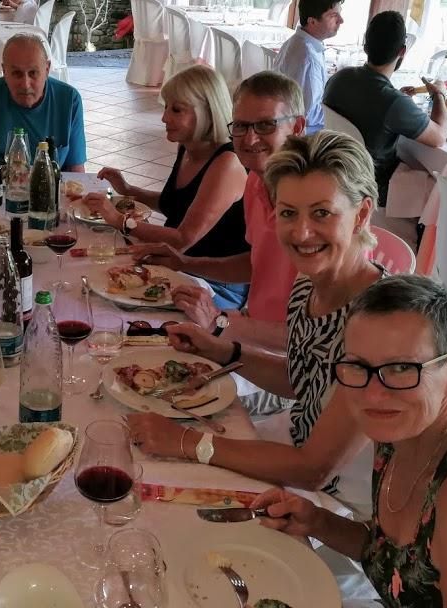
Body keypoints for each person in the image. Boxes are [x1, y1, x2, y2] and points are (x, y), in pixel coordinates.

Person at [253, 274, 447, 606]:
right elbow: (392, 559)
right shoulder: (398, 430)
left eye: (402, 368)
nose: (374, 393)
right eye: (359, 366)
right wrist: (315, 520)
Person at [126, 131, 386, 513]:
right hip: (295, 444)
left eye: (322, 213)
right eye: (288, 213)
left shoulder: (381, 323)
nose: (301, 233)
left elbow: (314, 470)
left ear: (361, 215)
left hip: (344, 502)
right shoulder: (309, 285)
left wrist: (184, 442)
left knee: (166, 497)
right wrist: (221, 349)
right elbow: (303, 378)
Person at [136, 71, 305, 352]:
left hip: (283, 361)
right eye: (240, 126)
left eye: (265, 125)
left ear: (297, 127)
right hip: (248, 325)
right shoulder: (255, 181)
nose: (250, 140)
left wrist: (219, 322)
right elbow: (254, 263)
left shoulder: (311, 207)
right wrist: (183, 263)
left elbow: (313, 338)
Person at [84, 65, 250, 309]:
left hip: (214, 283)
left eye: (176, 110)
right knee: (97, 273)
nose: (164, 118)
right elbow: (174, 204)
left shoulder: (226, 162)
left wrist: (120, 220)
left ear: (206, 111)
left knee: (113, 300)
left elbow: (182, 238)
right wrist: (128, 189)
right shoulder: (189, 147)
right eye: (166, 107)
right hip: (178, 264)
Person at [323, 10, 447, 206]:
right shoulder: (394, 103)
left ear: (366, 46)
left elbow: (368, 102)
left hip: (335, 172)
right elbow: (439, 137)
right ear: (402, 51)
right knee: (440, 188)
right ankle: (413, 235)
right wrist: (439, 94)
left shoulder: (338, 78)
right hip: (374, 186)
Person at [0, 33, 87, 172]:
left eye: (33, 73)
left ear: (46, 70)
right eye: (17, 73)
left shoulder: (69, 99)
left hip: (50, 188)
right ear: (4, 71)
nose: (25, 84)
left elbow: (76, 169)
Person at [273, 0, 344, 134]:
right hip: (306, 137)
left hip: (285, 121)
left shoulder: (297, 41)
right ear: (312, 21)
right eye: (334, 16)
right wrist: (340, 114)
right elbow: (310, 116)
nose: (341, 20)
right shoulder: (308, 56)